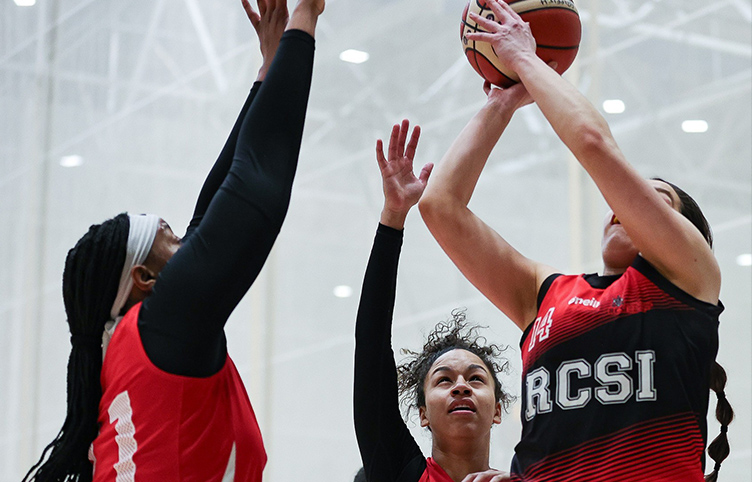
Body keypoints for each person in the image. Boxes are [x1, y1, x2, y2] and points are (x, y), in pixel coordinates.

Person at [419, 1, 733, 481]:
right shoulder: (546, 294)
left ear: (687, 234)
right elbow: (439, 206)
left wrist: (525, 58)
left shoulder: (691, 277)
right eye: (625, 197)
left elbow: (593, 143)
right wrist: (501, 103)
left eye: (655, 199)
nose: (622, 204)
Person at [22, 0, 324, 480]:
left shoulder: (136, 347)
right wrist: (305, 18)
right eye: (171, 236)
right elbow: (253, 188)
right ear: (143, 277)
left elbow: (219, 203)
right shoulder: (156, 331)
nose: (192, 235)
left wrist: (270, 69)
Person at [354, 120, 515, 482]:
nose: (461, 386)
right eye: (443, 380)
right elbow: (371, 348)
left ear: (498, 410)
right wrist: (393, 218)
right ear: (423, 414)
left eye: (476, 379)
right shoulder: (398, 472)